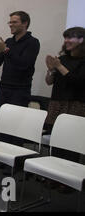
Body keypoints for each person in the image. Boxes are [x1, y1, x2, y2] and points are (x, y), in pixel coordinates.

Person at [0, 11, 40, 147]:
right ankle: (1, 156)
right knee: (3, 123)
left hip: (20, 89)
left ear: (25, 23)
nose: (10, 25)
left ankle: (13, 161)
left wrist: (5, 50)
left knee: (16, 126)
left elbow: (23, 64)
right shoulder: (9, 41)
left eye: (14, 22)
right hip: (4, 87)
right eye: (10, 22)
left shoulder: (33, 42)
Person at [45, 27, 85, 168]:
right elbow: (49, 82)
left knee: (71, 143)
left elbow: (79, 82)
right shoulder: (62, 59)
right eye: (65, 37)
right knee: (56, 141)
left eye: (71, 37)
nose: (67, 41)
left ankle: (68, 178)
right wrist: (50, 69)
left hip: (75, 106)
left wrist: (59, 67)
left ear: (82, 40)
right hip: (58, 104)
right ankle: (54, 173)